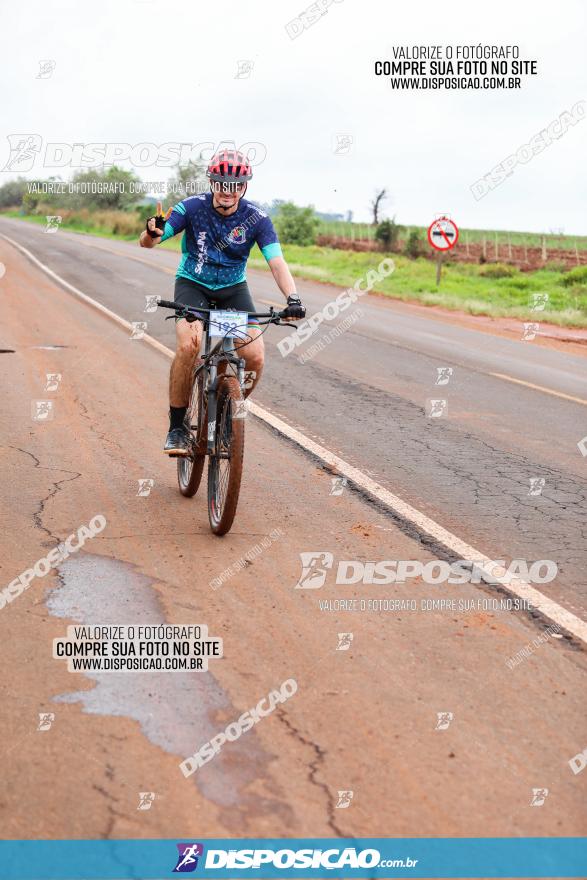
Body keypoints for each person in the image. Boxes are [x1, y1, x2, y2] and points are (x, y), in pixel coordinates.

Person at [139, 148, 306, 454]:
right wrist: (152, 233)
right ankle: (177, 427)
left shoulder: (257, 217)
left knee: (254, 356)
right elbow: (149, 241)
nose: (228, 191)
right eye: (221, 184)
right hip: (193, 283)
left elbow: (277, 262)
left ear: (244, 187)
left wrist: (292, 297)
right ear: (212, 183)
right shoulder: (191, 207)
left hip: (232, 289)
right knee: (189, 345)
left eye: (235, 186)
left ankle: (228, 415)